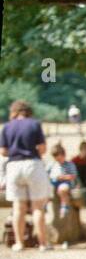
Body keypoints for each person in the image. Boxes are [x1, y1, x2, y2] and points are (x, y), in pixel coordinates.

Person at [2, 100, 52, 250]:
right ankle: (43, 244)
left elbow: (3, 151)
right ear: (28, 111)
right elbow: (42, 149)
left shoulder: (7, 126)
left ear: (14, 111)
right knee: (37, 207)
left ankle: (19, 243)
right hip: (32, 165)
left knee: (18, 208)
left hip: (14, 166)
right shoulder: (34, 124)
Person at [47, 143, 80, 219]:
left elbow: (73, 176)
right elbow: (46, 174)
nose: (58, 160)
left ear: (63, 155)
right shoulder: (52, 165)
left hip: (65, 182)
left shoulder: (69, 164)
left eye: (59, 158)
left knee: (62, 189)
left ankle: (64, 205)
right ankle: (45, 207)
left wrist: (63, 177)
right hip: (53, 182)